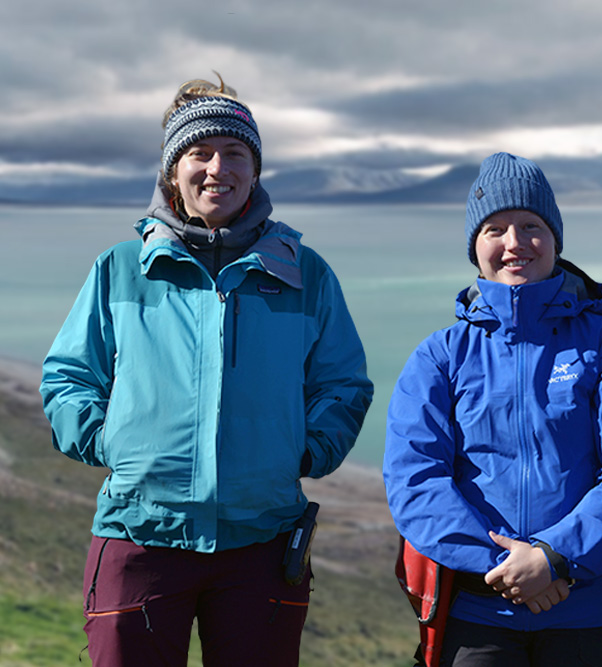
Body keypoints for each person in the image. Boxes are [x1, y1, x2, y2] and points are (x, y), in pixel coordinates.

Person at [39, 75, 373, 666]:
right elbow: (68, 376)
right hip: (140, 534)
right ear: (174, 171)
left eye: (236, 153)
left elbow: (343, 383)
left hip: (263, 538)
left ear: (255, 169)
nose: (218, 167)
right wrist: (108, 440)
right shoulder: (122, 269)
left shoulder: (305, 273)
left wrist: (307, 450)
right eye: (200, 152)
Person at [383, 152, 602, 667]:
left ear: (555, 239)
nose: (514, 243)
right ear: (476, 247)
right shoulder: (440, 356)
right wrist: (512, 568)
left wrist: (556, 559)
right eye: (495, 229)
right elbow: (415, 481)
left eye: (531, 226)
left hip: (590, 617)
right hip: (478, 614)